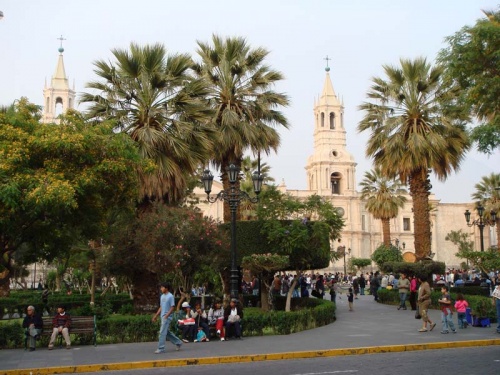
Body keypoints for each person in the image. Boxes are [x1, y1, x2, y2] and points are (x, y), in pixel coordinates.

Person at [152, 282, 183, 354]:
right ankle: (178, 342)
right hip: (162, 316)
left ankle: (161, 348)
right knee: (166, 332)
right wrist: (156, 315)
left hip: (167, 317)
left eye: (162, 287)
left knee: (162, 332)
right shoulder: (162, 296)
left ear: (166, 288)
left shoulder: (170, 296)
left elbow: (172, 307)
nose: (161, 289)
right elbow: (161, 307)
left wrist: (167, 315)